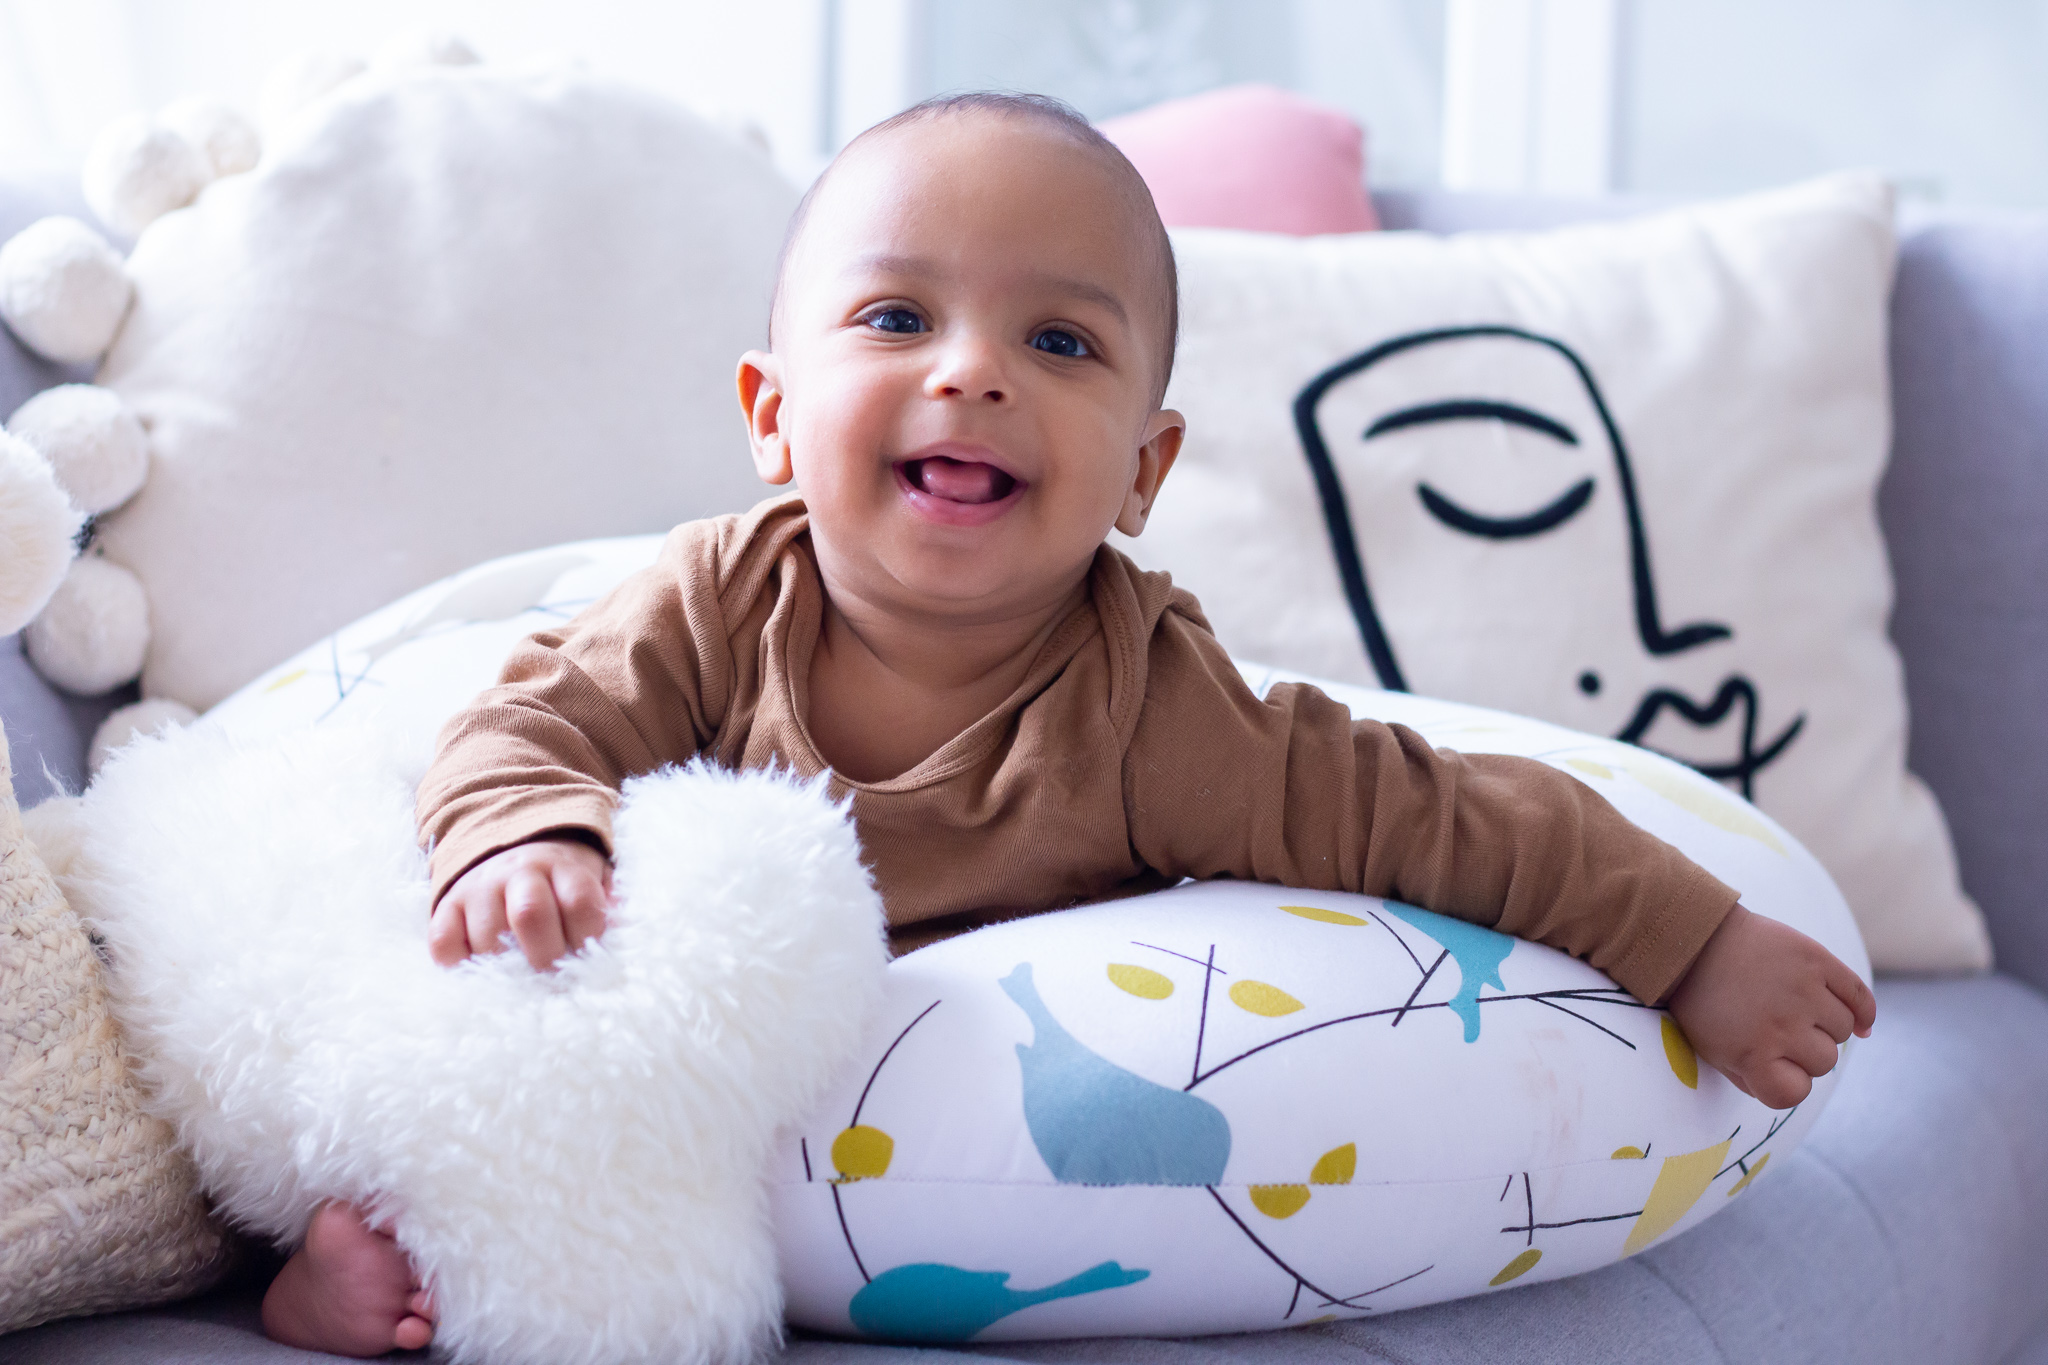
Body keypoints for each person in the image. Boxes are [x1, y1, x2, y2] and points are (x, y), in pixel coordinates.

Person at [260, 91, 1876, 1357]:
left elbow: (1439, 813)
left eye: (1058, 341)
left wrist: (1694, 940)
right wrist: (530, 831)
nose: (972, 375)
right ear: (770, 415)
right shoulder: (707, 601)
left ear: (1144, 474)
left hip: (924, 1124)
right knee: (453, 1003)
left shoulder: (1155, 710)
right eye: (897, 319)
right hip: (669, 1005)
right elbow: (521, 725)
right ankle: (328, 1268)